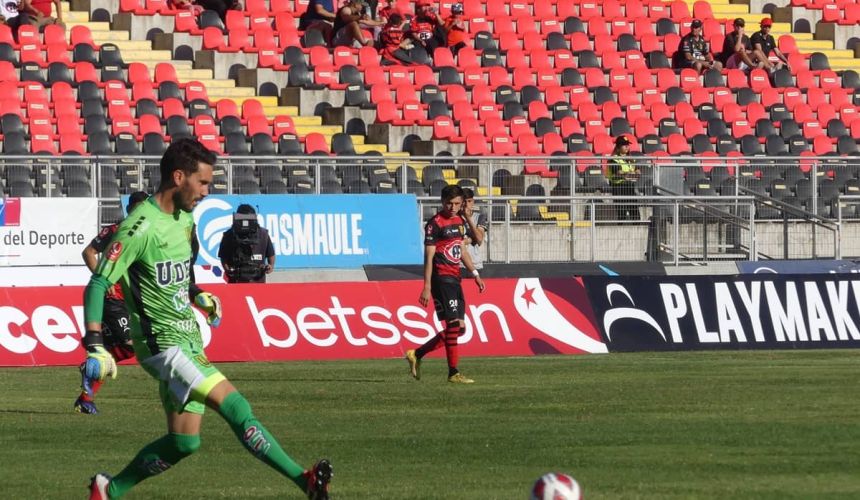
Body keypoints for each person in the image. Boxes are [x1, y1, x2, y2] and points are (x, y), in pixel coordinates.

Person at [84, 138, 332, 500]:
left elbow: (177, 275)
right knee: (235, 406)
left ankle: (109, 490)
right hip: (164, 347)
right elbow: (98, 281)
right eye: (202, 182)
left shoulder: (185, 219)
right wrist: (95, 344)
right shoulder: (139, 227)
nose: (207, 191)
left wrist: (197, 294)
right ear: (178, 176)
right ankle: (303, 480)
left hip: (187, 340)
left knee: (184, 442)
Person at [73, 191, 149, 415]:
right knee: (129, 342)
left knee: (122, 349)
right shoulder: (117, 230)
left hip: (130, 299)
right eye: (138, 208)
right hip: (112, 298)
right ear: (131, 209)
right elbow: (88, 252)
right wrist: (103, 279)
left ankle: (87, 395)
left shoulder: (148, 232)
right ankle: (93, 369)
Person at [406, 184, 486, 384]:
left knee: (459, 328)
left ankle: (417, 353)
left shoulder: (460, 221)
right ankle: (453, 373)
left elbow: (462, 250)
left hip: (456, 278)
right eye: (449, 203)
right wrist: (426, 286)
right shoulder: (435, 223)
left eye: (457, 203)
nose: (452, 207)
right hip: (442, 279)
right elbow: (429, 255)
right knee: (453, 325)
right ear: (442, 202)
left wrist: (474, 273)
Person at [218, 203, 276, 283]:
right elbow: (223, 256)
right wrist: (227, 270)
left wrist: (271, 266)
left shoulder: (263, 234)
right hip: (236, 280)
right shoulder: (229, 235)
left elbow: (271, 254)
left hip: (258, 280)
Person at [608, 136, 640, 221]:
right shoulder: (614, 159)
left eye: (627, 145)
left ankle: (636, 226)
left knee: (635, 212)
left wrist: (633, 173)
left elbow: (638, 171)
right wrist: (630, 174)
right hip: (619, 188)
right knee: (621, 212)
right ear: (618, 147)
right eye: (624, 145)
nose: (627, 146)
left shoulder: (631, 159)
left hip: (630, 187)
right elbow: (619, 173)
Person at [460, 187, 488, 272]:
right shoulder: (454, 217)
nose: (466, 204)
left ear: (473, 202)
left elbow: (479, 240)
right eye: (464, 201)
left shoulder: (479, 217)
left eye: (469, 201)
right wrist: (471, 239)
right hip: (458, 265)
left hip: (475, 264)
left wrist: (468, 218)